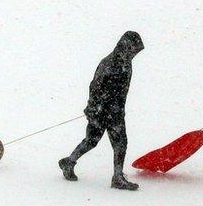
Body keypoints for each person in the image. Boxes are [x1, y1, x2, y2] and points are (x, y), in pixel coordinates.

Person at [59, 31, 145, 191]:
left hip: (115, 111)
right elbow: (95, 86)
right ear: (125, 47)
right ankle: (70, 162)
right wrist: (94, 107)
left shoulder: (126, 63)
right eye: (133, 50)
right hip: (103, 111)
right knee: (94, 141)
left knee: (118, 142)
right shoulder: (110, 64)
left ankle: (115, 176)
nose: (134, 54)